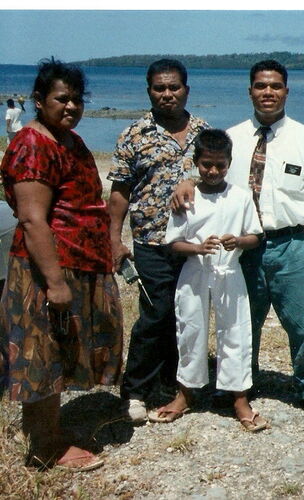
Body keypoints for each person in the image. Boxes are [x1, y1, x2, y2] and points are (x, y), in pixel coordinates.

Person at [171, 59, 304, 420]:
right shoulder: (233, 138)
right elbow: (204, 170)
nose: (268, 92)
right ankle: (241, 383)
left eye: (275, 86)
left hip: (290, 244)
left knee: (300, 321)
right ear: (250, 91)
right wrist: (185, 181)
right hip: (244, 246)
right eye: (261, 86)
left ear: (286, 91)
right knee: (242, 320)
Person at [0, 58, 123, 470]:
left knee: (56, 353)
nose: (70, 106)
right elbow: (33, 218)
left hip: (79, 261)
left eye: (76, 100)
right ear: (38, 100)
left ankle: (47, 431)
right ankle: (45, 446)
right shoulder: (33, 144)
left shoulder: (68, 139)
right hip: (48, 268)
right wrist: (54, 282)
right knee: (42, 356)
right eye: (61, 99)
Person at [108, 58, 209, 422]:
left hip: (195, 242)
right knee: (155, 313)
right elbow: (119, 193)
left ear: (186, 89)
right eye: (159, 88)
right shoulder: (134, 135)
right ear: (149, 91)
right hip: (151, 241)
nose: (167, 94)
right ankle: (135, 390)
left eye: (174, 87)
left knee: (188, 313)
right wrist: (113, 240)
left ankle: (173, 382)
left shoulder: (204, 131)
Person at [147, 129, 268, 431]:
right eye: (206, 165)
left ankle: (239, 397)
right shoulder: (186, 197)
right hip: (195, 271)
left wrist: (238, 241)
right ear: (196, 163)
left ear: (229, 163)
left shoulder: (240, 197)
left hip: (230, 272)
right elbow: (172, 242)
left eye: (220, 165)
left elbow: (255, 236)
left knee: (235, 331)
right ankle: (186, 392)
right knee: (190, 329)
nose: (213, 171)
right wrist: (197, 248)